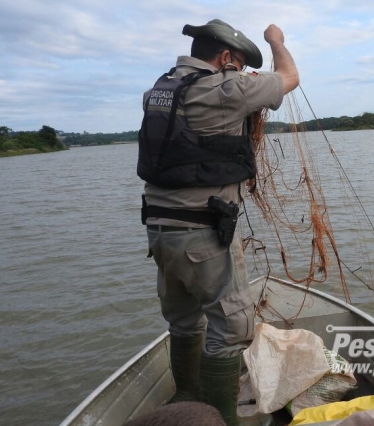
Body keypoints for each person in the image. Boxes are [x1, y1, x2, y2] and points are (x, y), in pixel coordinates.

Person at [138, 19, 299, 426]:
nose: (242, 72)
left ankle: (186, 397)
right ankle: (220, 418)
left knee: (183, 320)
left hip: (160, 233)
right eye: (239, 64)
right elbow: (289, 77)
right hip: (203, 235)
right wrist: (275, 41)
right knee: (232, 326)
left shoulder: (157, 92)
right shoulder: (227, 89)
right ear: (225, 57)